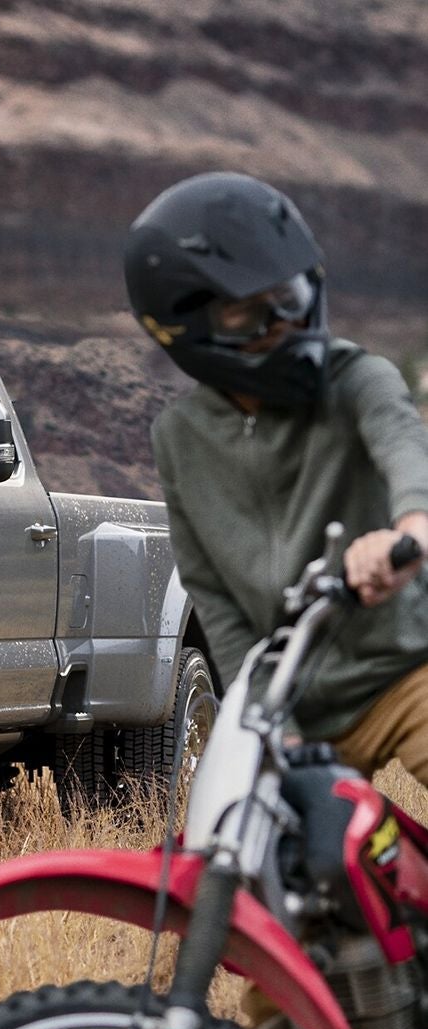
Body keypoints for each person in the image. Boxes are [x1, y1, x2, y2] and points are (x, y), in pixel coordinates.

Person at [124, 171, 428, 785]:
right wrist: (258, 713)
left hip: (406, 673)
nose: (285, 322)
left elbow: (405, 448)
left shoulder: (357, 378)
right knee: (242, 857)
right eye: (250, 314)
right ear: (189, 327)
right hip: (294, 710)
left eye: (289, 298)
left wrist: (412, 533)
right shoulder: (180, 439)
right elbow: (213, 597)